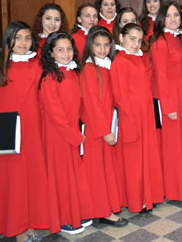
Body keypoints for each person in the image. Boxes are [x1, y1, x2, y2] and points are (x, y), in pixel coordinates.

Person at [0, 22, 49, 241]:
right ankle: (16, 229)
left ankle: (28, 223)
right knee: (12, 183)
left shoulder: (37, 65)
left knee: (31, 181)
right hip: (7, 134)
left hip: (34, 133)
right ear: (8, 39)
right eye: (18, 38)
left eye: (27, 38)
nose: (23, 43)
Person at [39, 32, 93, 234]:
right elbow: (55, 113)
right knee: (61, 178)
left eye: (69, 49)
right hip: (57, 135)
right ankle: (63, 218)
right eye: (60, 50)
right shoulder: (49, 77)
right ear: (51, 53)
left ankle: (77, 211)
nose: (66, 53)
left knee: (74, 175)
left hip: (71, 131)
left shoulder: (72, 73)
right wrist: (74, 136)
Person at [110, 23, 164, 212]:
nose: (135, 44)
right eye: (132, 39)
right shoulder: (119, 62)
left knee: (145, 158)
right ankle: (135, 200)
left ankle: (146, 196)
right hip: (131, 118)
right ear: (121, 38)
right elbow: (120, 96)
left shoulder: (138, 59)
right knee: (133, 162)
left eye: (139, 40)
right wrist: (130, 120)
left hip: (145, 117)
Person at [79, 26, 128, 227]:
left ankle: (106, 206)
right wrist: (105, 131)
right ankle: (102, 210)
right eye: (97, 45)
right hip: (96, 129)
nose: (102, 49)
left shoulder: (108, 65)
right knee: (97, 171)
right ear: (90, 45)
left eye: (106, 45)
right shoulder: (89, 69)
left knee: (107, 169)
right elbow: (91, 105)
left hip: (109, 125)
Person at [150, 1, 182, 203]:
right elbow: (160, 77)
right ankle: (172, 189)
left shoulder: (178, 40)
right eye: (168, 16)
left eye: (176, 15)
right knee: (171, 146)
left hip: (181, 96)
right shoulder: (160, 42)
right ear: (161, 19)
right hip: (169, 100)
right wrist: (168, 107)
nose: (173, 19)